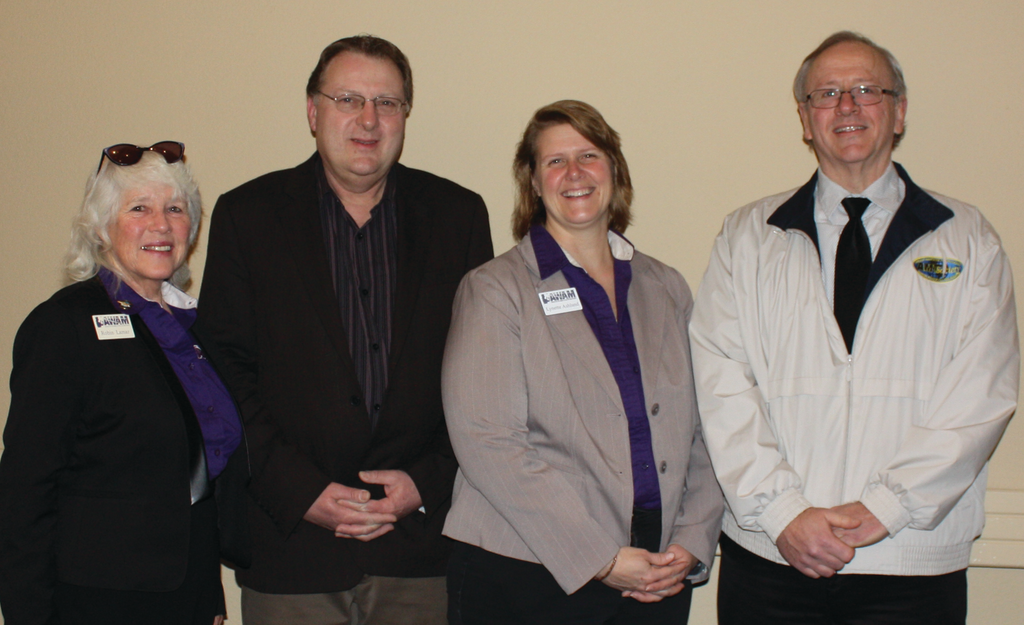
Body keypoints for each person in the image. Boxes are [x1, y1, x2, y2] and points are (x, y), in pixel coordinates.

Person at [689, 31, 1019, 625]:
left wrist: (889, 506)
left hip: (910, 564)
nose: (847, 105)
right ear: (805, 118)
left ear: (899, 111)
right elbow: (720, 383)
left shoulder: (968, 239)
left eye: (867, 90)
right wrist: (783, 512)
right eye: (827, 93)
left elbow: (981, 394)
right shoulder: (747, 238)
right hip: (770, 560)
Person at [195, 35, 493, 624]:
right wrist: (300, 492)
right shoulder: (247, 216)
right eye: (348, 99)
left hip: (421, 551)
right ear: (313, 112)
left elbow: (487, 376)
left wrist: (426, 483)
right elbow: (225, 373)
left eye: (387, 103)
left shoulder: (458, 215)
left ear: (405, 115)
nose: (368, 119)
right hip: (292, 549)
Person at [442, 100, 723, 624]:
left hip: (657, 572)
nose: (574, 172)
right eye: (555, 161)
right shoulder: (496, 290)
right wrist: (601, 559)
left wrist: (691, 541)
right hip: (527, 573)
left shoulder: (666, 287)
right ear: (533, 181)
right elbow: (487, 441)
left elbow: (708, 430)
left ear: (614, 169)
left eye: (589, 155)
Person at [0, 142, 247, 625]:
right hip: (95, 602)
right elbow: (25, 491)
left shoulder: (196, 329)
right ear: (100, 227)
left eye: (175, 209)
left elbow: (198, 480)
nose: (161, 225)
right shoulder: (63, 326)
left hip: (186, 595)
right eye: (139, 208)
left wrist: (208, 596)